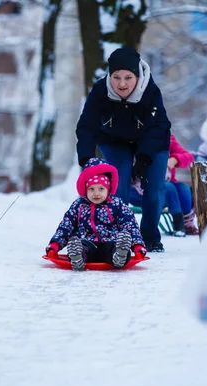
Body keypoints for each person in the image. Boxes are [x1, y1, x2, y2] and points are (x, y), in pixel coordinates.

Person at [76, 46, 171, 252]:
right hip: (114, 140)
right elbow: (87, 126)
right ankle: (119, 236)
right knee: (118, 182)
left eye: (128, 77)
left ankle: (149, 236)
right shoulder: (101, 92)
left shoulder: (150, 92)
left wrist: (144, 159)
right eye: (116, 77)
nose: (122, 83)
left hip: (152, 142)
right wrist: (86, 160)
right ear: (110, 75)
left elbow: (157, 128)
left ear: (137, 76)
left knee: (154, 189)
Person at [45, 158, 146, 271]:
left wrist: (137, 245)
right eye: (91, 189)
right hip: (87, 243)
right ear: (85, 189)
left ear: (108, 189)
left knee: (116, 247)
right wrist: (55, 245)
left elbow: (130, 225)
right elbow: (66, 226)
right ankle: (78, 257)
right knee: (82, 246)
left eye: (101, 189)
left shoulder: (116, 204)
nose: (96, 193)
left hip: (110, 242)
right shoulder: (79, 205)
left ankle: (119, 255)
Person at [129, 134, 199, 236]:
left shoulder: (166, 138)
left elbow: (188, 157)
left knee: (183, 189)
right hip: (139, 190)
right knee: (168, 187)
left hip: (167, 190)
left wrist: (175, 159)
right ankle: (178, 223)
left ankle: (186, 222)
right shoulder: (134, 139)